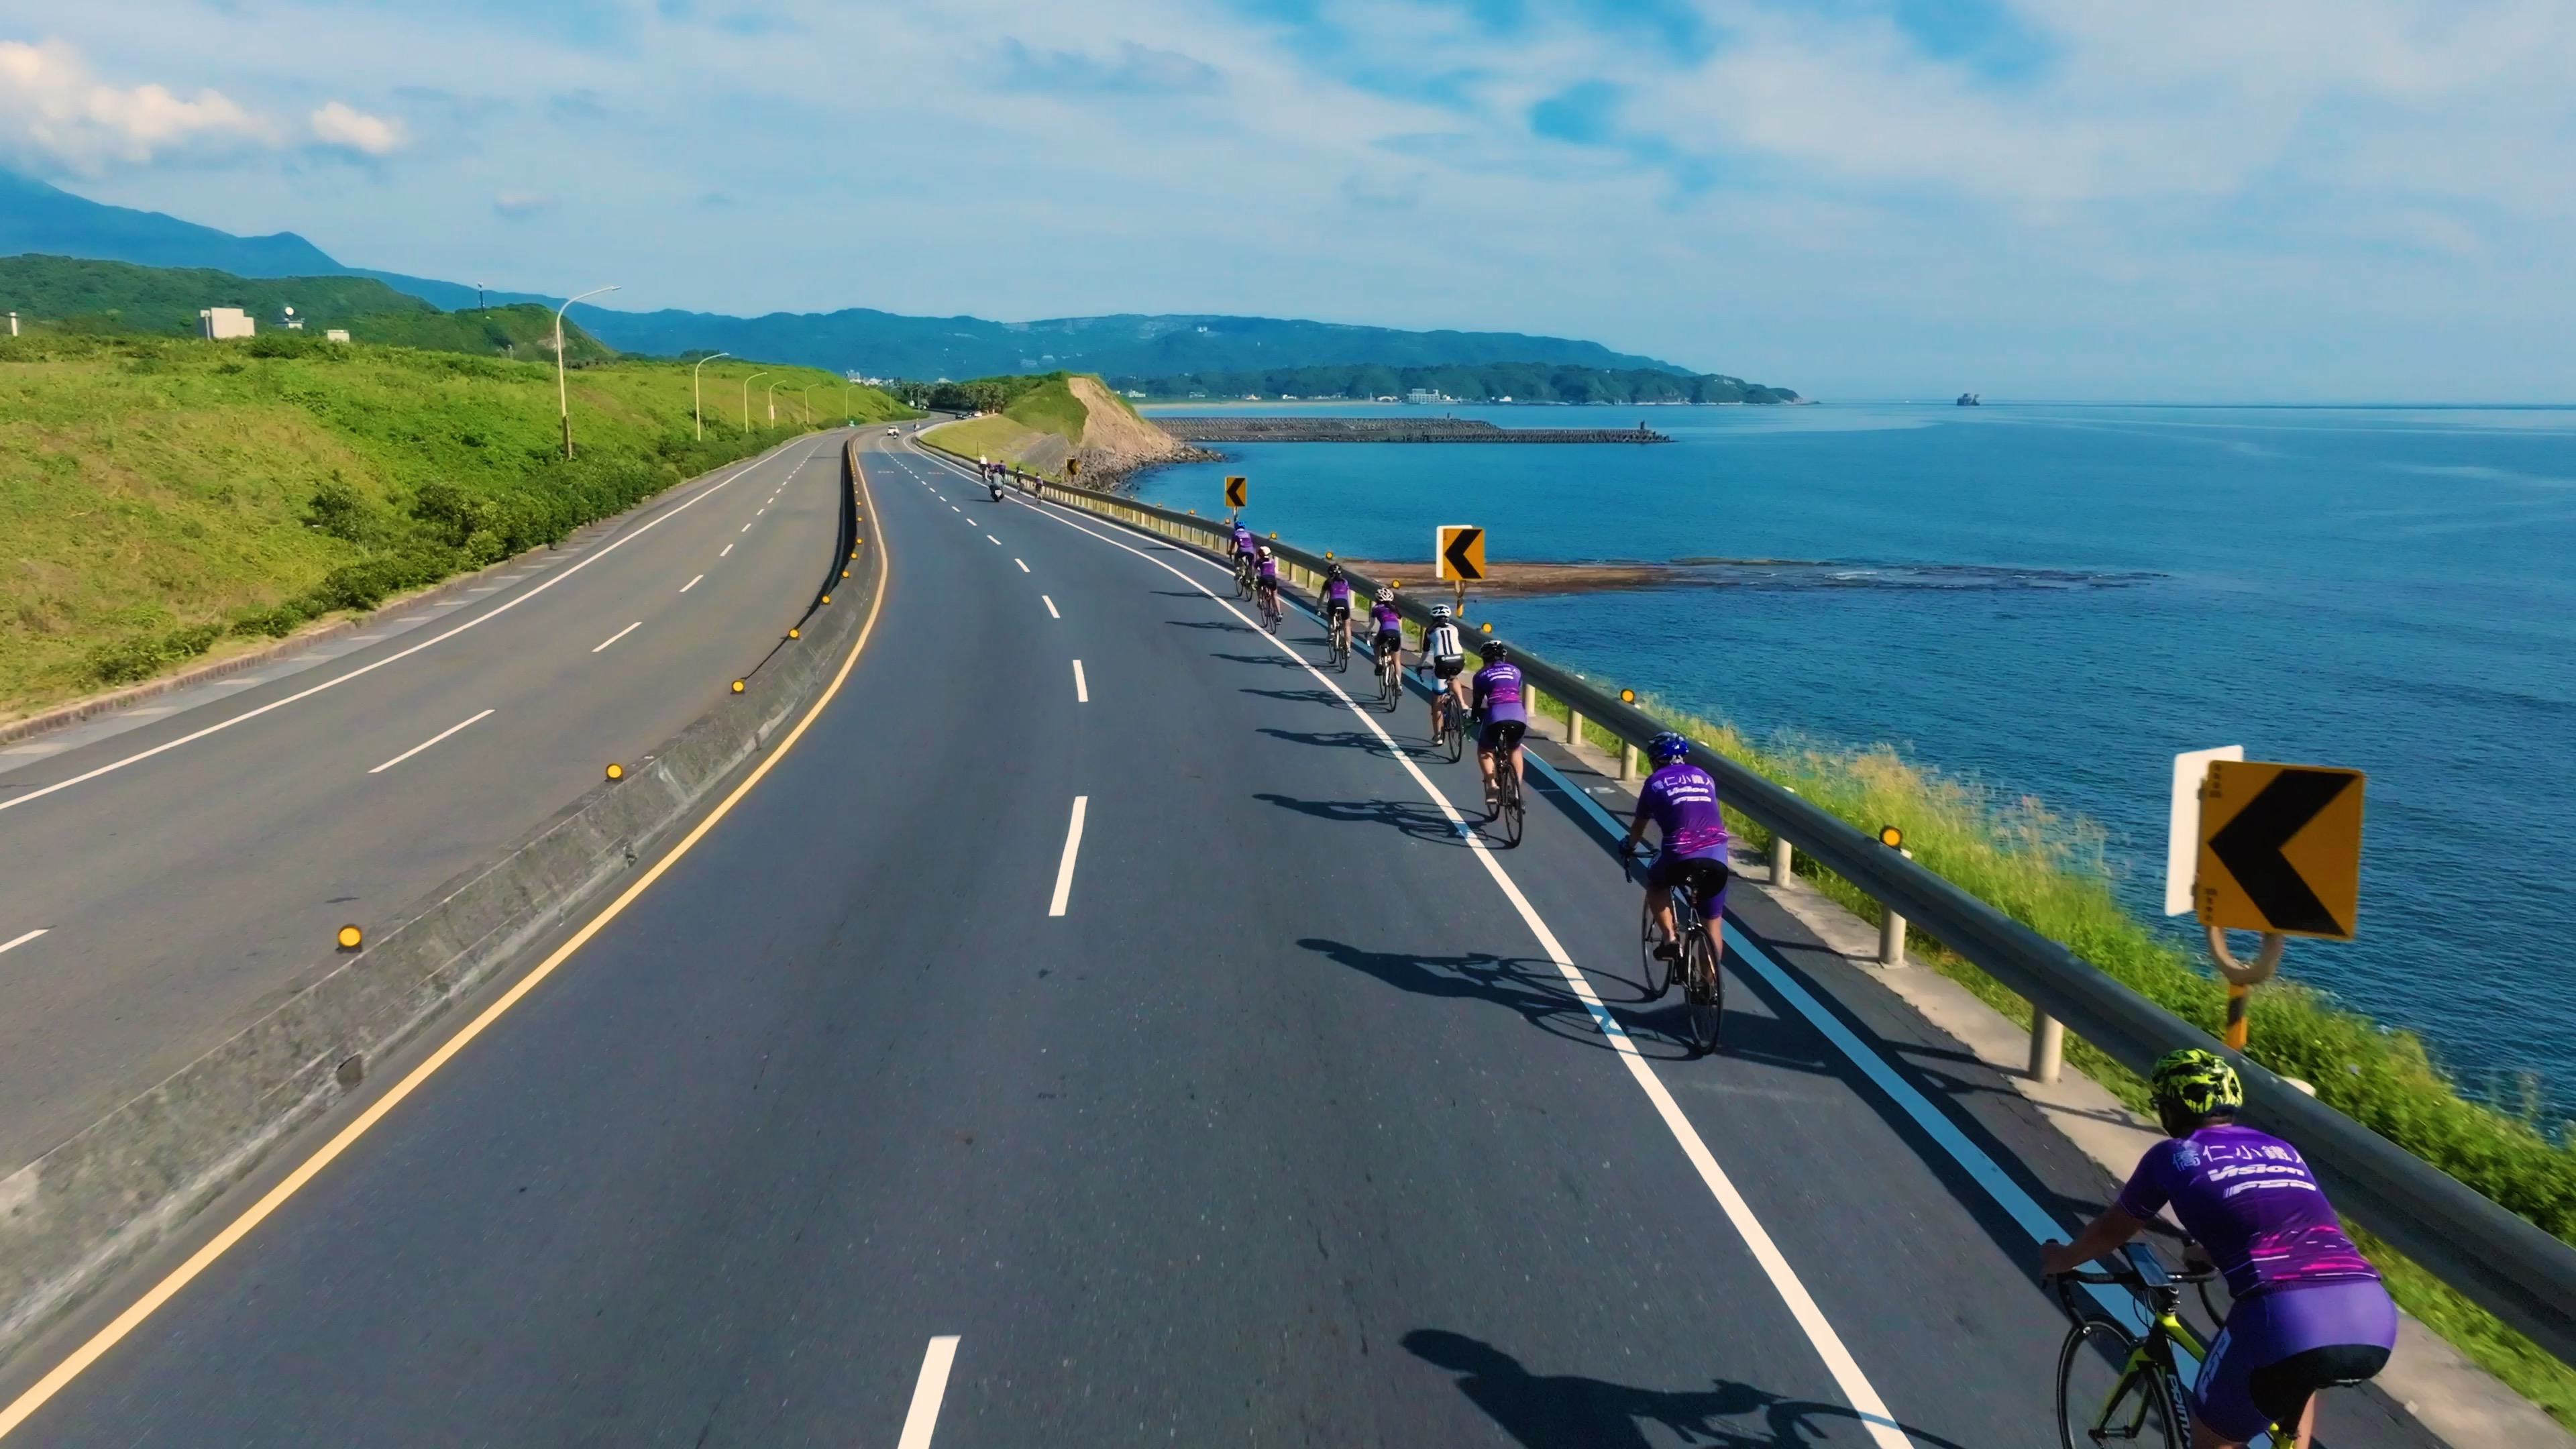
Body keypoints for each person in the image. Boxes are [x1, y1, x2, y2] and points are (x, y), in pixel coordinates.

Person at [2040, 1051, 2396, 1449]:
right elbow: (2282, 1229)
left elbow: (2110, 1233)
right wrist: (2208, 1253)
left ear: (2172, 1109)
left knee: (2215, 1440)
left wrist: (2062, 1258)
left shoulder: (2172, 1155)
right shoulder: (2282, 1150)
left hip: (2286, 1317)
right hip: (2372, 1313)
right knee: (2298, 1379)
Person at [1617, 733, 1729, 970]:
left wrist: (1630, 846)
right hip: (1716, 854)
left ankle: (1669, 939)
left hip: (1680, 855)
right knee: (1713, 926)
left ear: (1656, 760)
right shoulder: (1704, 776)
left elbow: (1639, 824)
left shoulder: (1655, 782)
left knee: (1656, 884)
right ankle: (1708, 989)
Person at [1469, 641, 1529, 816]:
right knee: (1515, 749)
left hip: (1496, 714)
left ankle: (1492, 785)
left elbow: (1478, 703)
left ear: (1484, 658)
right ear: (1504, 657)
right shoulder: (1516, 671)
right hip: (1518, 715)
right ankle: (1517, 792)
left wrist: (1474, 718)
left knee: (1485, 749)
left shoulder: (1480, 675)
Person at [1417, 605, 1468, 739]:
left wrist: (1420, 665)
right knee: (1454, 677)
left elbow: (1426, 652)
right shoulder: (1454, 628)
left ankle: (1438, 736)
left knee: (1437, 700)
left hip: (1442, 661)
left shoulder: (1429, 631)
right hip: (1459, 659)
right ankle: (1462, 704)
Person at [1321, 564, 1354, 653]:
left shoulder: (1328, 582)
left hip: (1333, 603)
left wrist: (1318, 607)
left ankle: (1331, 633)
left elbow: (1321, 597)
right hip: (1345, 604)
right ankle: (1348, 648)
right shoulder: (1345, 582)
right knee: (1347, 626)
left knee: (1330, 616)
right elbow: (1348, 596)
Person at [1370, 588, 1404, 672]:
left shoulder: (1376, 608)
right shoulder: (1394, 609)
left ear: (1377, 599)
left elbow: (1372, 624)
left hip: (1385, 632)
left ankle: (1379, 663)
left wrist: (1368, 631)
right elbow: (1399, 624)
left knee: (1377, 645)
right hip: (1396, 633)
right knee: (1397, 661)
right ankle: (1398, 683)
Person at [1254, 544, 1281, 621]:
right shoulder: (1272, 561)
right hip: (1272, 579)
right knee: (1275, 596)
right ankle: (1279, 613)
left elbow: (1254, 572)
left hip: (1263, 578)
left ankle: (1260, 601)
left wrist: (1253, 578)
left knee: (1259, 587)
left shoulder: (1259, 561)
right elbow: (1276, 572)